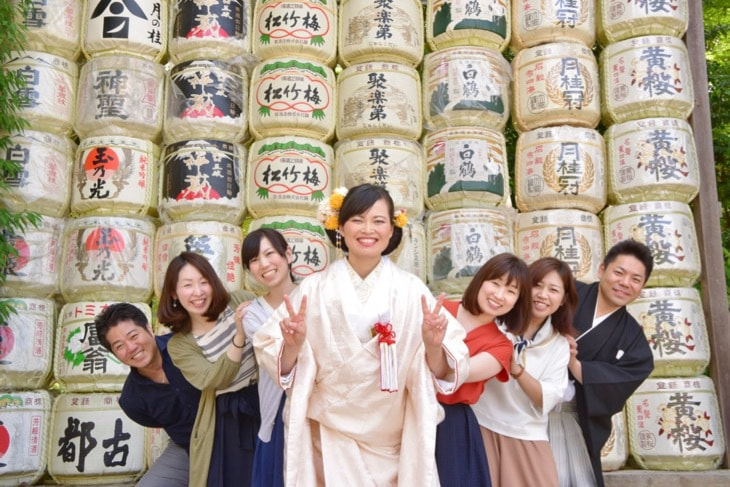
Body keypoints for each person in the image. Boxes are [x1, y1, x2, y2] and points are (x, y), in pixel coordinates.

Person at [253, 183, 469, 486]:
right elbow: (273, 350)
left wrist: (433, 346)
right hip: (330, 438)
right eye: (358, 219)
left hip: (393, 440)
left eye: (379, 220)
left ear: (392, 228)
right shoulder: (314, 289)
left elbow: (449, 364)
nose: (368, 229)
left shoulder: (412, 291)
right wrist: (293, 345)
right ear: (340, 226)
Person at [548, 240, 654, 487]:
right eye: (619, 272)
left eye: (635, 279)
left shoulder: (633, 339)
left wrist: (575, 365)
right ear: (602, 269)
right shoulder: (567, 293)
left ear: (642, 286)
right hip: (526, 409)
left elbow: (624, 379)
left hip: (572, 421)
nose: (625, 283)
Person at [158, 251, 260, 487]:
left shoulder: (238, 300)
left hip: (265, 401)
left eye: (204, 282)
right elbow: (213, 380)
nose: (198, 292)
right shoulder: (180, 344)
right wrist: (239, 336)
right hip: (229, 419)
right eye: (188, 285)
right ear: (174, 292)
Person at [472, 257, 577, 487]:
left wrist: (516, 370)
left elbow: (546, 398)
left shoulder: (559, 346)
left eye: (553, 290)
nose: (542, 294)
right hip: (479, 424)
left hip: (526, 434)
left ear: (563, 300)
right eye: (537, 285)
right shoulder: (494, 323)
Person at [435, 253, 529, 487]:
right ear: (480, 280)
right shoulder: (439, 309)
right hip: (408, 410)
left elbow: (453, 373)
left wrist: (431, 343)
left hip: (450, 424)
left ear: (517, 301)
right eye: (495, 283)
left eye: (511, 291)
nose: (499, 295)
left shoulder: (501, 346)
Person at [95, 303, 200, 487]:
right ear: (115, 354)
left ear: (149, 329)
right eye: (119, 346)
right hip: (188, 447)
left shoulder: (186, 344)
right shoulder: (132, 400)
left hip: (231, 427)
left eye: (133, 336)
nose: (131, 347)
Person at [241, 228, 297, 487]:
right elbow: (275, 364)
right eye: (254, 260)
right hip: (277, 412)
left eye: (269, 253)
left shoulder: (315, 294)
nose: (263, 264)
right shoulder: (252, 315)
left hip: (321, 408)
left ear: (288, 254)